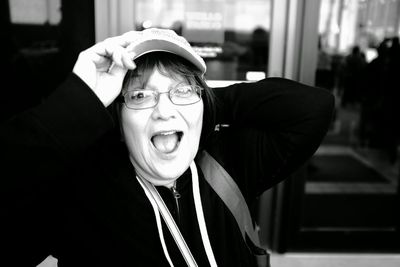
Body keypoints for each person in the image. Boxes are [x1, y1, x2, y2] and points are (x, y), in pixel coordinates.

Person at [0, 28, 334, 267]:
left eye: (182, 89)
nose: (164, 111)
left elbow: (312, 108)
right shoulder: (83, 193)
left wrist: (206, 105)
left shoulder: (228, 162)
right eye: (141, 95)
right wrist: (80, 103)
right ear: (117, 117)